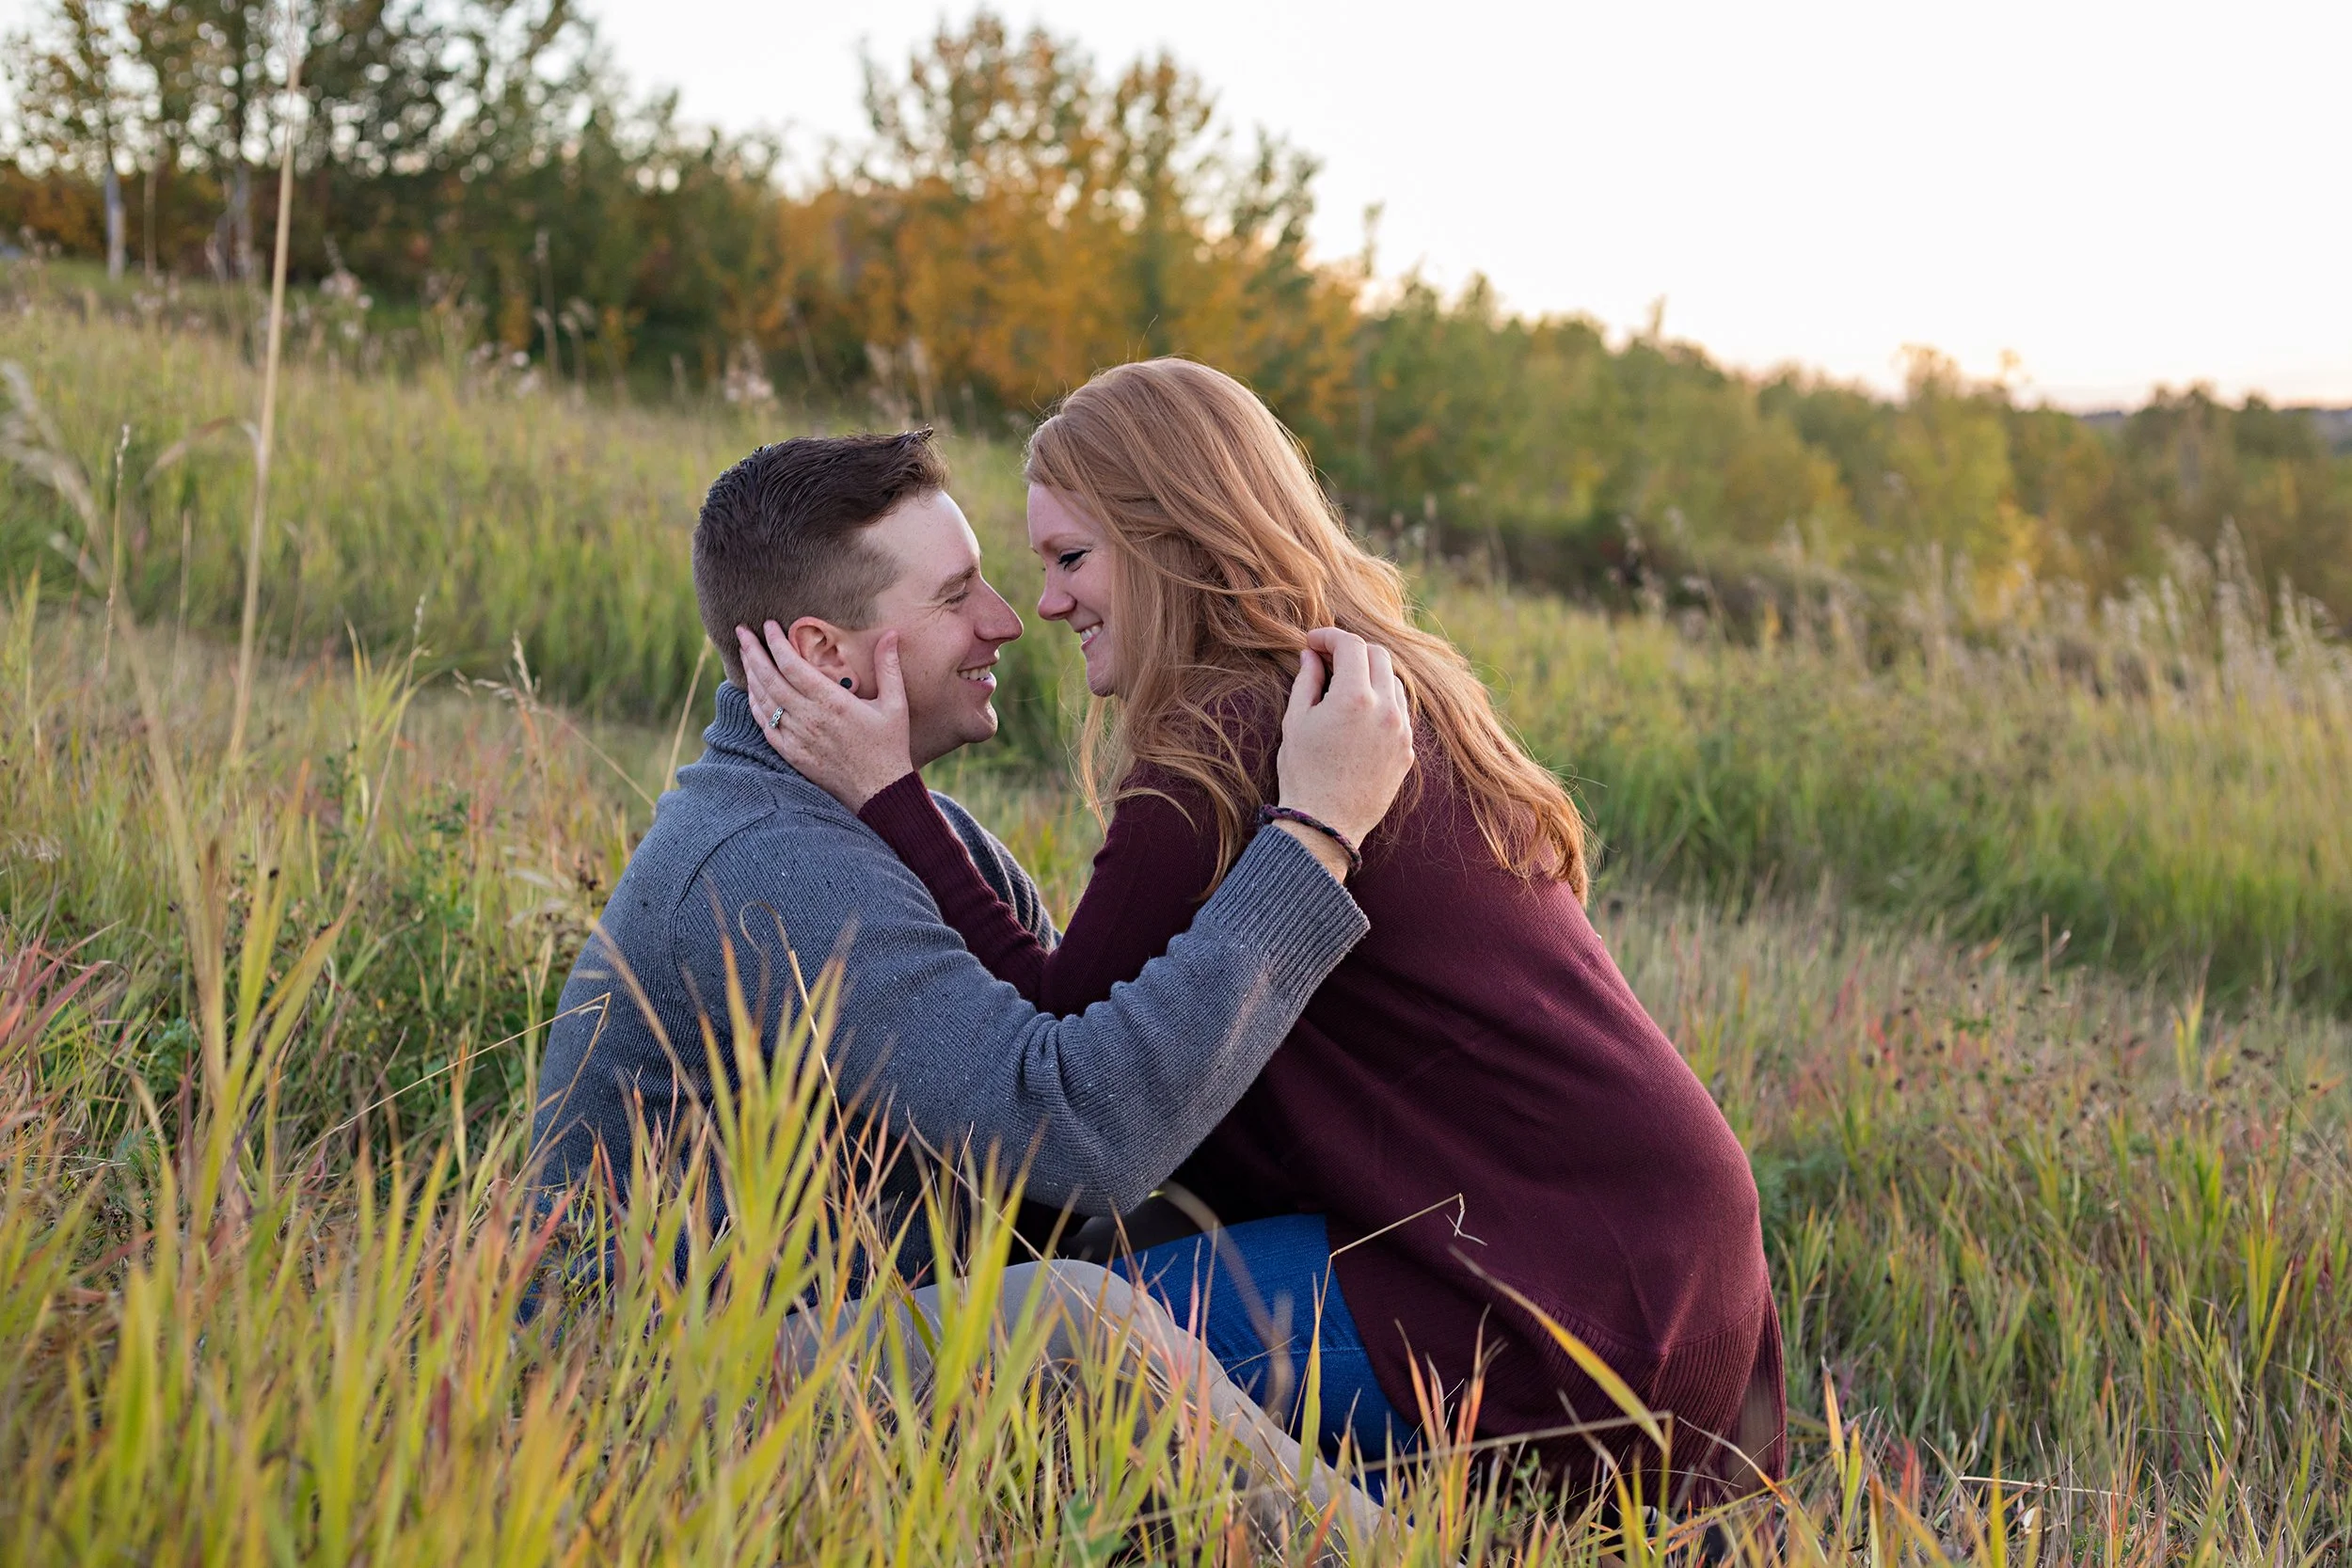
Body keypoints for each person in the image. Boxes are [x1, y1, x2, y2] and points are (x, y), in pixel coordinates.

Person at [739, 359, 1787, 1510]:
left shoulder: (1230, 733)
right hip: (1676, 1269)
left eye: (1071, 558)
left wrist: (888, 793)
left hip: (1537, 1311)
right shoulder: (1364, 690)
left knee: (1069, 1337)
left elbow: (1054, 1058)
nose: (1047, 603)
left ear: (1174, 541)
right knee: (1105, 1261)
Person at [528, 429, 1414, 1539]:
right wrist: (1313, 836)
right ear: (826, 652)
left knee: (1186, 1258)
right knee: (1080, 1324)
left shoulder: (905, 830)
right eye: (956, 596)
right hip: (657, 1387)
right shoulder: (763, 863)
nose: (1006, 618)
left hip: (842, 1313)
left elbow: (1078, 1065)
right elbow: (1078, 1139)